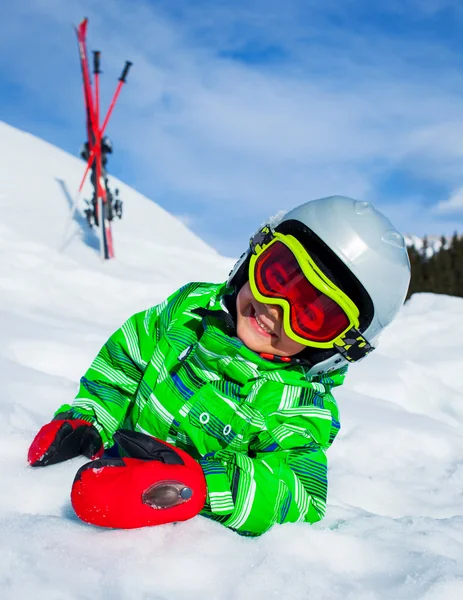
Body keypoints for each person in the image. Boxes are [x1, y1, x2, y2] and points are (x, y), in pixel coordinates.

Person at [27, 196, 411, 536]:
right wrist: (89, 420)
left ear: (337, 346)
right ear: (254, 255)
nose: (275, 311)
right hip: (110, 473)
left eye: (311, 315)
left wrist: (200, 485)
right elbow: (124, 362)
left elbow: (301, 497)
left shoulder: (298, 406)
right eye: (277, 277)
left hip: (174, 548)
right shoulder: (190, 311)